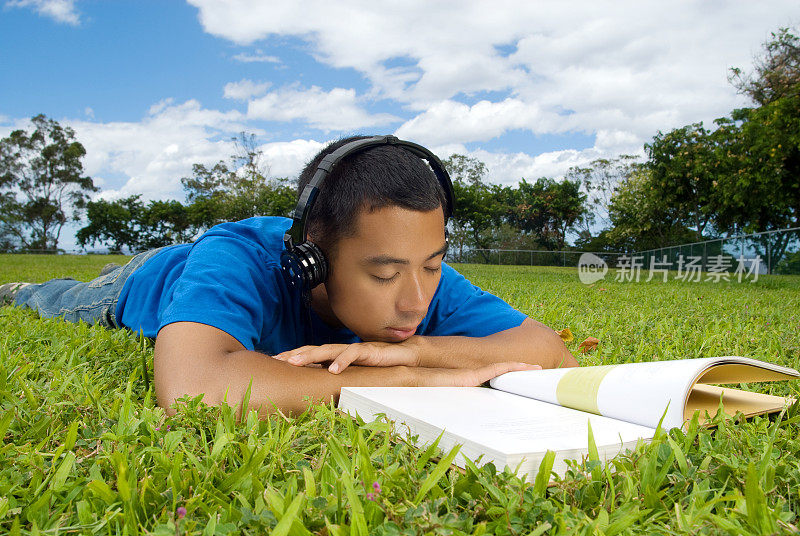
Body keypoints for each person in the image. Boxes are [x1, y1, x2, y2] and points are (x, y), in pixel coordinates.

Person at [2, 135, 577, 416]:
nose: (416, 300)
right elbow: (191, 389)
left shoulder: (417, 275)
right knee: (63, 298)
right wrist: (414, 383)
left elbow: (548, 348)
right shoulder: (239, 257)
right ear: (312, 257)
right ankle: (24, 288)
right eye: (384, 275)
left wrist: (415, 353)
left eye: (432, 263)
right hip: (145, 281)